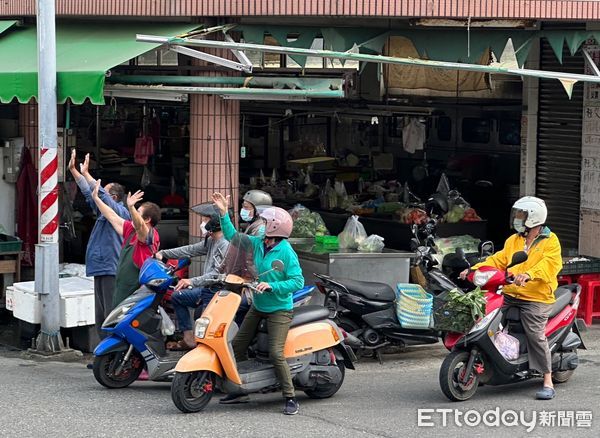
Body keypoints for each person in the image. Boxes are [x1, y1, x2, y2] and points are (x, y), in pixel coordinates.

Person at [460, 196, 563, 400]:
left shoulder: (551, 242)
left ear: (533, 218)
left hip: (537, 297)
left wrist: (529, 274)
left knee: (535, 333)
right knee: (486, 318)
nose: (517, 218)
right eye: (516, 214)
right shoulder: (514, 240)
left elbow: (549, 265)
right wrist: (473, 269)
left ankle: (548, 380)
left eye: (521, 215)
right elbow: (497, 260)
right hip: (509, 293)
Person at [212, 192, 304, 416]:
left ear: (274, 227)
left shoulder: (286, 252)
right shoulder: (259, 242)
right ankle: (240, 389)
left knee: (275, 353)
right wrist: (224, 213)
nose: (261, 224)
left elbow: (298, 281)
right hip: (259, 305)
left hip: (279, 309)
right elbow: (234, 237)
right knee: (236, 347)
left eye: (264, 222)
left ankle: (290, 396)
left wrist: (273, 287)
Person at [68, 150, 130, 339]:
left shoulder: (120, 212)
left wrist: (87, 174)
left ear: (115, 197)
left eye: (104, 191)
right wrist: (74, 171)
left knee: (110, 314)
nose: (99, 192)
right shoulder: (103, 213)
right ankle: (103, 355)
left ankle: (113, 354)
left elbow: (99, 194)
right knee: (101, 314)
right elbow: (89, 193)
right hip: (100, 267)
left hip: (111, 268)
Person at [155, 203, 229, 350]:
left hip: (217, 292)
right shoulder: (211, 240)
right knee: (177, 296)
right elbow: (190, 249)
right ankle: (188, 338)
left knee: (205, 326)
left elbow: (216, 275)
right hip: (206, 289)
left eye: (204, 220)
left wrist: (191, 281)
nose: (202, 224)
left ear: (213, 222)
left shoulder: (224, 244)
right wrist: (164, 253)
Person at [91, 180, 161, 307]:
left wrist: (131, 207)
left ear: (147, 220)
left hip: (136, 290)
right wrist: (96, 199)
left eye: (138, 213)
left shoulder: (149, 234)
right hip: (121, 287)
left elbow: (140, 226)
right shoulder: (131, 229)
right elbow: (112, 216)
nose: (132, 215)